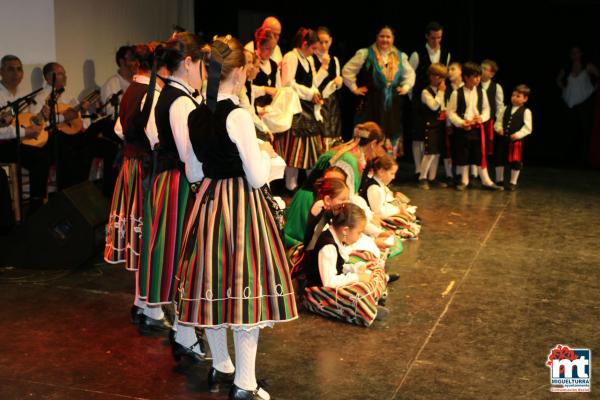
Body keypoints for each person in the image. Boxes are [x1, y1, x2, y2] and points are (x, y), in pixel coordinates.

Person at [178, 35, 297, 400]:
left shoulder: (197, 114)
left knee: (214, 288)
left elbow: (194, 172)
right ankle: (245, 383)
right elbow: (258, 177)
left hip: (210, 204)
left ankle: (222, 366)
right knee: (247, 292)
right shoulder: (239, 116)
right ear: (240, 72)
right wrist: (266, 157)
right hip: (242, 208)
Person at [142, 33, 205, 354]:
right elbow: (188, 153)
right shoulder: (178, 100)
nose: (203, 72)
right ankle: (183, 330)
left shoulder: (174, 95)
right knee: (182, 254)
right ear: (188, 63)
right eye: (201, 64)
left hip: (172, 180)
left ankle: (182, 327)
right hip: (178, 184)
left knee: (178, 252)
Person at [302, 202, 389, 326]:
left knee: (373, 269)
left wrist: (354, 269)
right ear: (346, 230)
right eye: (359, 233)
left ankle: (370, 302)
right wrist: (356, 277)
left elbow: (337, 267)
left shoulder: (336, 238)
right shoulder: (328, 246)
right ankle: (366, 308)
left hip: (329, 283)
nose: (359, 237)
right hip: (319, 291)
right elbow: (329, 282)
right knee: (360, 292)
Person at [342, 25, 415, 158]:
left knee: (390, 134)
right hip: (371, 103)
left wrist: (405, 87)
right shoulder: (365, 54)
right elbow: (347, 70)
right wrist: (354, 88)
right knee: (368, 133)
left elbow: (410, 75)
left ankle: (385, 170)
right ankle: (365, 169)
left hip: (391, 106)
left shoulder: (400, 56)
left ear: (393, 39)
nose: (385, 40)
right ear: (377, 37)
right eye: (382, 36)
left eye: (388, 37)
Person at [30, 62, 93, 190]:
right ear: (48, 78)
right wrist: (63, 118)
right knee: (68, 149)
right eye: (60, 74)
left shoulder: (70, 97)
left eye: (64, 73)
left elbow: (84, 123)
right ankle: (67, 193)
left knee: (88, 145)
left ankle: (81, 189)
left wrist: (84, 111)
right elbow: (36, 124)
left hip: (74, 137)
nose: (64, 76)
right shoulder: (40, 98)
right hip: (53, 140)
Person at [0, 55, 49, 214]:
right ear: (1, 72)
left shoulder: (25, 95)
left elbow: (31, 121)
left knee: (45, 154)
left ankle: (38, 204)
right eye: (11, 69)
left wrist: (42, 116)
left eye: (19, 69)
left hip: (20, 143)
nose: (16, 73)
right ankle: (35, 209)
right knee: (38, 157)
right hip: (4, 146)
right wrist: (24, 132)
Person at [279, 28, 325, 191]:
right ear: (305, 44)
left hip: (308, 108)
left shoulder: (308, 60)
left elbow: (311, 82)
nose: (314, 52)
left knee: (311, 149)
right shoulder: (291, 57)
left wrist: (315, 93)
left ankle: (309, 185)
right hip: (296, 109)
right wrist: (308, 93)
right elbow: (287, 83)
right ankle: (290, 186)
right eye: (313, 48)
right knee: (295, 149)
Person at [446, 62, 501, 190]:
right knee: (464, 153)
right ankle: (464, 180)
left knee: (479, 153)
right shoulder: (456, 93)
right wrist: (461, 123)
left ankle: (486, 180)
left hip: (477, 129)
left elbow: (487, 110)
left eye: (478, 76)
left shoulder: (481, 92)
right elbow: (450, 112)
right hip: (463, 129)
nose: (477, 79)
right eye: (474, 76)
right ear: (466, 77)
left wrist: (481, 118)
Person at [409, 21, 451, 178]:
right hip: (420, 99)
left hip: (437, 97)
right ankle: (418, 170)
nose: (436, 41)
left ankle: (429, 174)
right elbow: (410, 77)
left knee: (433, 136)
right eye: (433, 38)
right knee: (418, 135)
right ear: (427, 37)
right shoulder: (417, 54)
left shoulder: (446, 54)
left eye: (439, 38)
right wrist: (414, 99)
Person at [556, 45, 599, 165]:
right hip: (570, 102)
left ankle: (584, 159)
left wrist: (594, 89)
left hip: (584, 101)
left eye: (577, 52)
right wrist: (564, 89)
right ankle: (568, 158)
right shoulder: (567, 68)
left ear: (581, 54)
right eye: (573, 53)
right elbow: (558, 79)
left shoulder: (587, 66)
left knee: (584, 130)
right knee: (570, 130)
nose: (575, 55)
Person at [493, 84, 532, 190]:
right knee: (499, 158)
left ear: (525, 99)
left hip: (516, 142)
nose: (514, 98)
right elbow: (498, 122)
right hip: (503, 139)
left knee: (515, 161)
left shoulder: (526, 112)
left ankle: (513, 182)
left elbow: (528, 128)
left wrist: (518, 135)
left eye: (518, 96)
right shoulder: (505, 109)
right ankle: (499, 180)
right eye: (513, 95)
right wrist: (499, 128)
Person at [417, 63, 448, 189]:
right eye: (437, 76)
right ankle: (422, 177)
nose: (439, 79)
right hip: (430, 126)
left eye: (442, 77)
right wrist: (440, 92)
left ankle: (432, 177)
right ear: (430, 76)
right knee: (429, 153)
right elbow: (434, 106)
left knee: (436, 154)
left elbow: (445, 107)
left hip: (441, 125)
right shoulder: (426, 92)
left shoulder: (444, 91)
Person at [314, 26, 343, 150]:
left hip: (332, 104)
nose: (324, 46)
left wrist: (339, 81)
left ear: (331, 41)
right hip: (318, 102)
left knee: (333, 136)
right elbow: (314, 82)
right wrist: (323, 66)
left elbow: (337, 81)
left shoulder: (334, 60)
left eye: (326, 42)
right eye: (321, 42)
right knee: (320, 138)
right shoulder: (311, 59)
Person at [480, 59, 504, 183]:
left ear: (492, 74)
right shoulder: (475, 85)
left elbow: (499, 107)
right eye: (481, 68)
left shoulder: (496, 87)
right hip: (476, 121)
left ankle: (487, 174)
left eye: (485, 69)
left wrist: (497, 123)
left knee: (488, 149)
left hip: (489, 122)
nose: (482, 71)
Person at [100, 45, 138, 121]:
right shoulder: (111, 84)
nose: (136, 63)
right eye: (132, 59)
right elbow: (111, 114)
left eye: (136, 59)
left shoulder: (139, 82)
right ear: (121, 61)